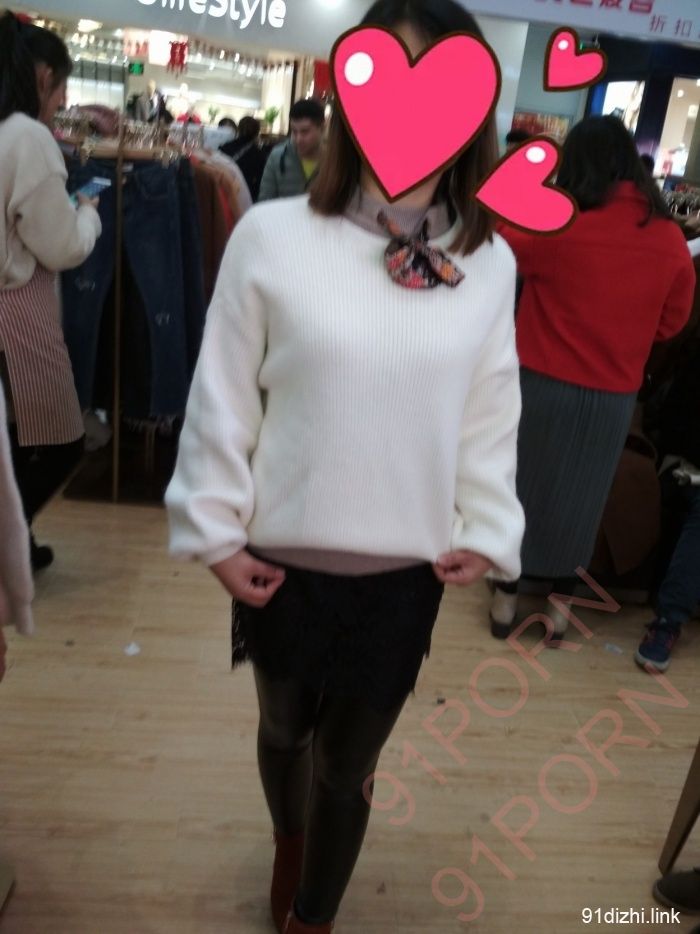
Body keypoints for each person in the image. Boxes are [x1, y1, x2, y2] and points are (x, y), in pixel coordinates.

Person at [165, 1, 525, 930]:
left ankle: (312, 918)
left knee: (348, 765)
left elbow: (490, 408)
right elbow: (224, 394)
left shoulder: (489, 265)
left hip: (405, 570)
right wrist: (212, 529)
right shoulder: (272, 236)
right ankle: (289, 842)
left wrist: (488, 523)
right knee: (284, 731)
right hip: (281, 559)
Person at [491, 115, 696, 642]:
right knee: (584, 501)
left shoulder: (558, 226)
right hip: (613, 396)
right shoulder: (670, 238)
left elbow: (499, 242)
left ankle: (505, 601)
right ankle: (559, 613)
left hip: (541, 382)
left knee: (522, 489)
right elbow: (673, 322)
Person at [0, 11, 102, 571]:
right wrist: (87, 214)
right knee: (60, 440)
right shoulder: (27, 136)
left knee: (16, 437)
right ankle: (8, 542)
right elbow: (62, 247)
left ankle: (15, 539)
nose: (63, 100)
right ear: (44, 77)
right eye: (61, 85)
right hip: (16, 307)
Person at [258, 98, 326, 201]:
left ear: (322, 128)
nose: (298, 139)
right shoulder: (277, 156)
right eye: (294, 131)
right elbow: (265, 201)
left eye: (305, 132)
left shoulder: (335, 161)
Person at [220, 115, 269, 202]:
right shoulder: (259, 154)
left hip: (225, 190)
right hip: (246, 193)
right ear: (257, 133)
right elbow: (261, 180)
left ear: (238, 129)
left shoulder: (224, 147)